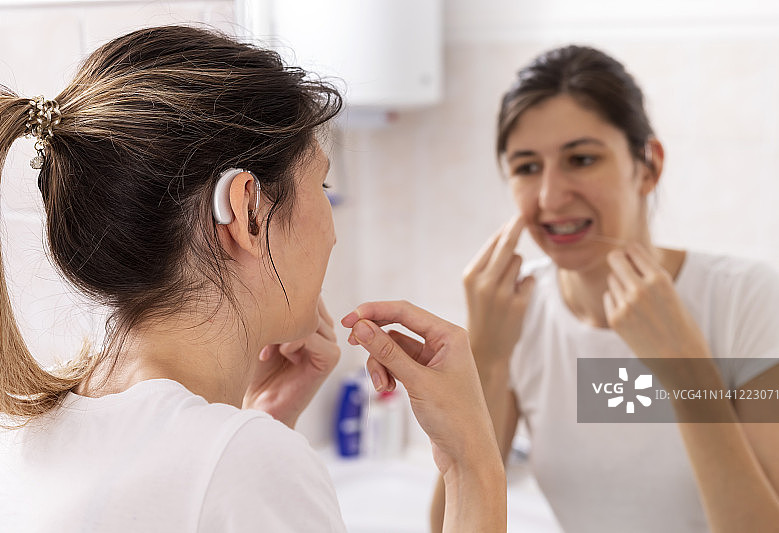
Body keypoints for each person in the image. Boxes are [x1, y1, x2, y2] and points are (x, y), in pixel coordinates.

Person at [0, 26, 505, 532]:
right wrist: (472, 463)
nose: (332, 234)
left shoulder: (30, 431)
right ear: (247, 213)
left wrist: (260, 418)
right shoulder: (243, 464)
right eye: (322, 185)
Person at [431, 45, 779, 533]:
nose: (550, 197)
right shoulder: (517, 313)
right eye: (526, 167)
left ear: (648, 167)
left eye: (581, 159)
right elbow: (448, 526)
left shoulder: (750, 301)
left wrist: (684, 366)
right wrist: (485, 357)